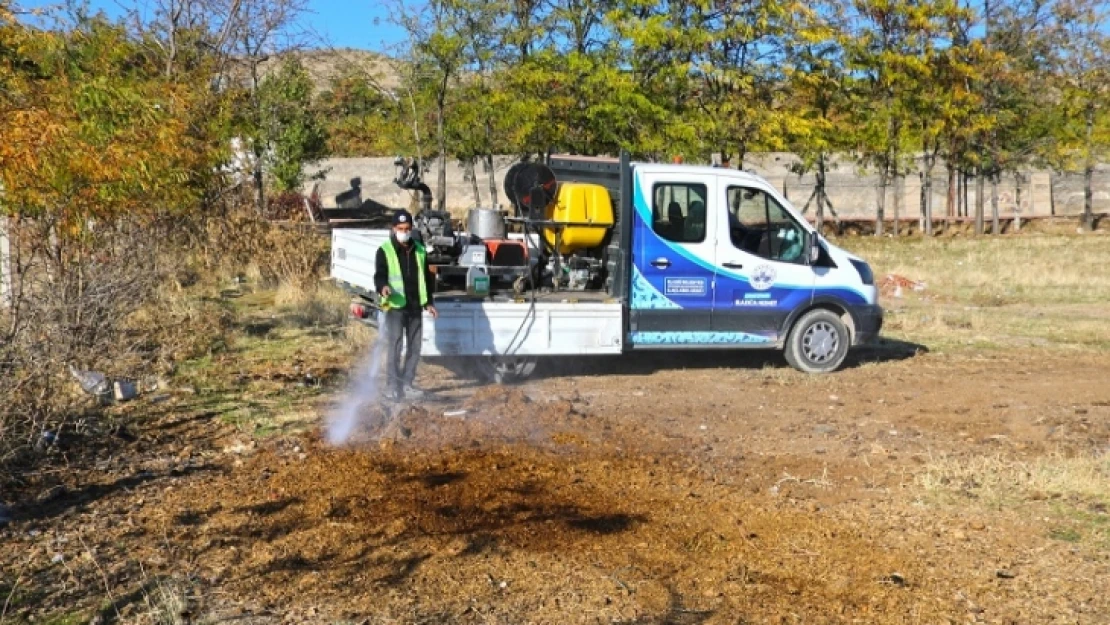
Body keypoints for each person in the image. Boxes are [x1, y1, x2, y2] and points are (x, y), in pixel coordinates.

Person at [374, 209, 438, 401]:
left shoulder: (419, 250)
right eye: (400, 228)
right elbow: (380, 275)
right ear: (394, 229)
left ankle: (407, 383)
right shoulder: (384, 250)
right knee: (395, 345)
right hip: (395, 306)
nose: (404, 231)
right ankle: (392, 386)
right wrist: (383, 287)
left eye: (407, 228)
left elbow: (426, 279)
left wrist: (428, 303)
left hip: (414, 306)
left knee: (415, 347)